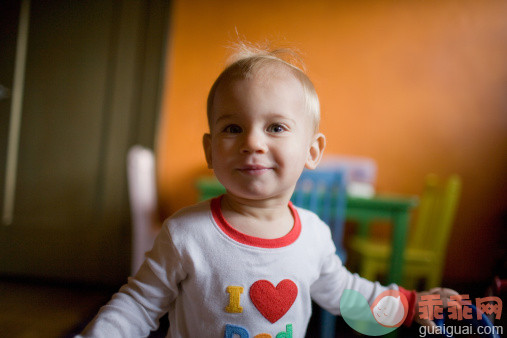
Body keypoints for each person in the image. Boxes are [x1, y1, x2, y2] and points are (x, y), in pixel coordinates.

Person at [79, 42, 458, 337]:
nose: (253, 142)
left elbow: (351, 297)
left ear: (312, 151)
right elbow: (138, 305)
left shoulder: (313, 236)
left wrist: (412, 305)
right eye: (233, 128)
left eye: (275, 127)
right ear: (210, 150)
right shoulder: (185, 233)